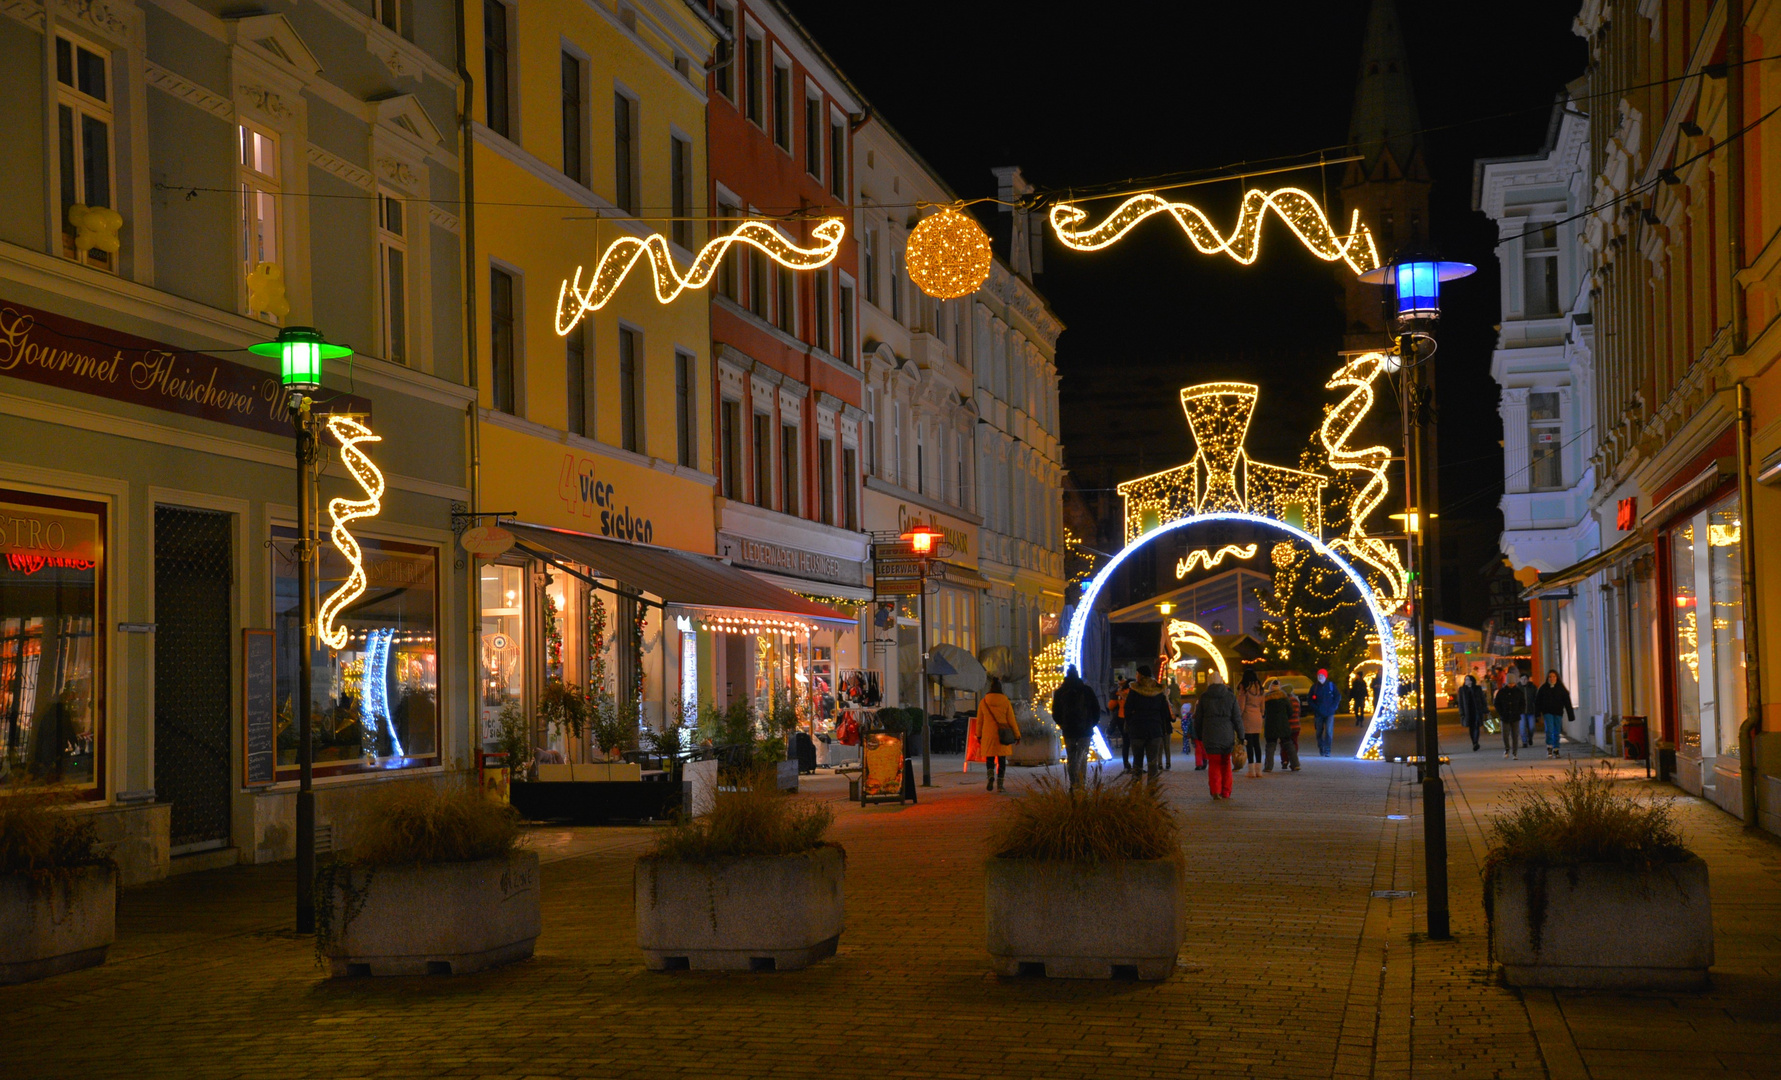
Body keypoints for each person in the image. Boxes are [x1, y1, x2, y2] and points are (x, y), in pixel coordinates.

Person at [1050, 664, 1101, 791]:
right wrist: (1091, 724)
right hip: (1085, 730)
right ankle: (1081, 783)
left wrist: (1062, 724)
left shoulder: (1060, 692)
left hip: (1069, 730)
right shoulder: (1087, 690)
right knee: (1083, 757)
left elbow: (1055, 712)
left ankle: (1073, 783)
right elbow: (1096, 710)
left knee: (1071, 757)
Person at [1121, 665, 1173, 782]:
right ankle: (1152, 792)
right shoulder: (1159, 691)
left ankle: (1136, 792)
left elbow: (1127, 710)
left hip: (1137, 730)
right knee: (1152, 762)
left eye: (1137, 674)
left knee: (1137, 763)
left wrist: (1131, 722)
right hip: (1154, 731)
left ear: (1141, 675)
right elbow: (1165, 712)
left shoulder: (1134, 691)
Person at [1195, 670, 1241, 799]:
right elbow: (1237, 718)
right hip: (1227, 734)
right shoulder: (1230, 696)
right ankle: (1226, 791)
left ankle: (1215, 790)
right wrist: (1241, 735)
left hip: (1210, 734)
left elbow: (1198, 718)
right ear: (1221, 681)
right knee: (1226, 762)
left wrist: (1198, 735)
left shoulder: (1204, 697)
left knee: (1214, 763)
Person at [975, 676, 1020, 792]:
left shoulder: (984, 701)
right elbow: (1011, 720)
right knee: (1001, 760)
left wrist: (978, 735)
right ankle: (1000, 785)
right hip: (1003, 735)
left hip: (988, 734)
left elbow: (979, 721)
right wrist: (1017, 735)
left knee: (989, 758)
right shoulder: (1005, 701)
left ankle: (990, 776)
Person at [1534, 670, 1577, 759]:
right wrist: (1537, 714)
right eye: (1550, 677)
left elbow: (1567, 702)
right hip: (1547, 712)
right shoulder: (1543, 688)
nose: (1552, 678)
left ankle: (1556, 749)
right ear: (1547, 678)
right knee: (1549, 730)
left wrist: (1571, 715)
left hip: (1558, 712)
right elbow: (1538, 702)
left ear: (1557, 678)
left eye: (1554, 677)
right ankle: (1549, 747)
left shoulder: (1561, 689)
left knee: (1557, 731)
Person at [1236, 669, 1267, 779]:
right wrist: (1261, 714)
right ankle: (1259, 771)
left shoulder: (1244, 688)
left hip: (1247, 717)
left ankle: (1251, 771)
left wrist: (1237, 717)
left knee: (1249, 743)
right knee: (1257, 743)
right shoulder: (1260, 689)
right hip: (1257, 717)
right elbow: (1263, 707)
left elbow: (1241, 706)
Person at [1493, 668, 1525, 759]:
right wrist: (1501, 712)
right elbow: (1497, 703)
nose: (1511, 685)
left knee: (1515, 735)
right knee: (1505, 734)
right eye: (1509, 683)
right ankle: (1507, 748)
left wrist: (1520, 711)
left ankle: (1515, 752)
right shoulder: (1501, 692)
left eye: (1512, 683)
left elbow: (1523, 703)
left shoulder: (1518, 692)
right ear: (1506, 683)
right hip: (1505, 716)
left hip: (1515, 716)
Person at [1262, 679, 1293, 772]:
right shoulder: (1284, 697)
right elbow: (1290, 711)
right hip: (1283, 724)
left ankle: (1268, 766)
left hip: (1270, 725)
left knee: (1270, 746)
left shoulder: (1266, 699)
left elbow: (1263, 712)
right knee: (1289, 745)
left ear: (1270, 687)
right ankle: (1295, 764)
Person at [1309, 668, 1341, 756]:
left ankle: (1327, 749)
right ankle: (1321, 747)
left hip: (1329, 713)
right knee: (1319, 731)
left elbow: (1337, 696)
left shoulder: (1331, 685)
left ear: (1325, 676)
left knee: (1329, 731)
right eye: (1319, 675)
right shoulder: (1314, 687)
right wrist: (1316, 708)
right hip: (1318, 713)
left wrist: (1333, 707)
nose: (1320, 677)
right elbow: (1310, 700)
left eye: (1322, 675)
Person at [1456, 673, 1490, 751]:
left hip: (1477, 710)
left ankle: (1476, 742)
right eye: (1465, 680)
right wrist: (1461, 712)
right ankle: (1474, 742)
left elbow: (1482, 699)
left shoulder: (1477, 688)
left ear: (1471, 681)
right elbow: (1460, 702)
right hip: (1468, 711)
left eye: (1467, 679)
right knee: (1471, 727)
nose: (1466, 681)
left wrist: (1485, 709)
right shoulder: (1462, 689)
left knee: (1476, 725)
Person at [1182, 695, 1206, 770]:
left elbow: (1190, 726)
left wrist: (1189, 733)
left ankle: (1200, 763)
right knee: (1202, 749)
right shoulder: (1204, 717)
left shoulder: (1193, 717)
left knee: (1198, 750)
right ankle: (1203, 762)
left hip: (1196, 735)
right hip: (1202, 736)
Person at [1283, 684, 1303, 771]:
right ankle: (1293, 760)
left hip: (1287, 725)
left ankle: (1285, 760)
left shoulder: (1285, 701)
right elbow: (1299, 713)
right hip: (1296, 725)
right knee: (1294, 743)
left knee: (1285, 744)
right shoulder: (1296, 701)